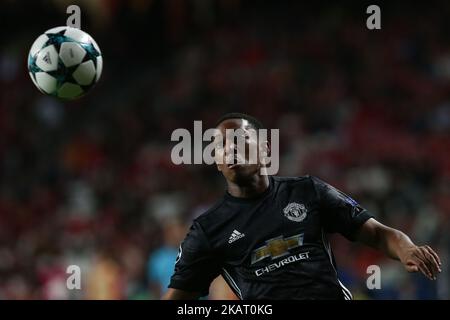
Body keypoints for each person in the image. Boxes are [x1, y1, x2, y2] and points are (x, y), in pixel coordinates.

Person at [163, 113, 442, 300]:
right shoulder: (208, 229)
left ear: (264, 148)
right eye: (221, 147)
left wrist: (407, 248)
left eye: (239, 140)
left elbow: (377, 233)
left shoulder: (307, 191)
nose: (231, 150)